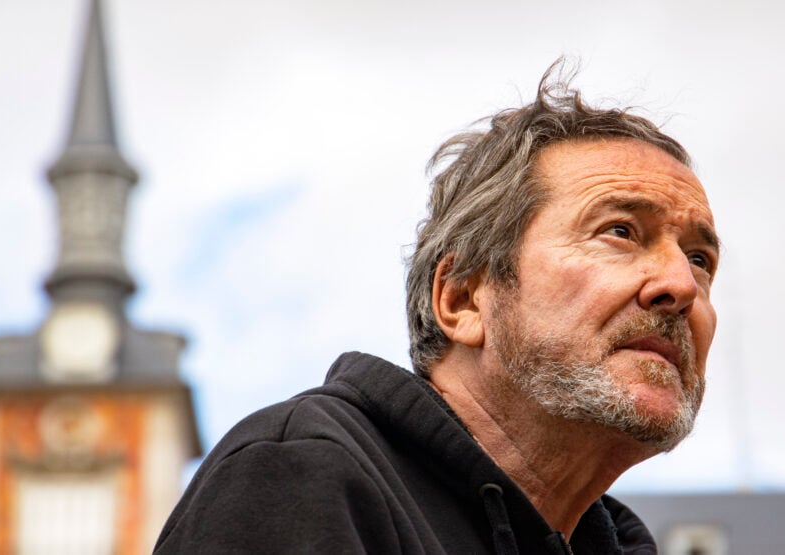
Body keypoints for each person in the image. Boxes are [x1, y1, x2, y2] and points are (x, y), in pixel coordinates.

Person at [154, 63, 719, 555]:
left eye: (699, 258)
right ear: (463, 298)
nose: (680, 285)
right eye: (619, 231)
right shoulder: (301, 475)